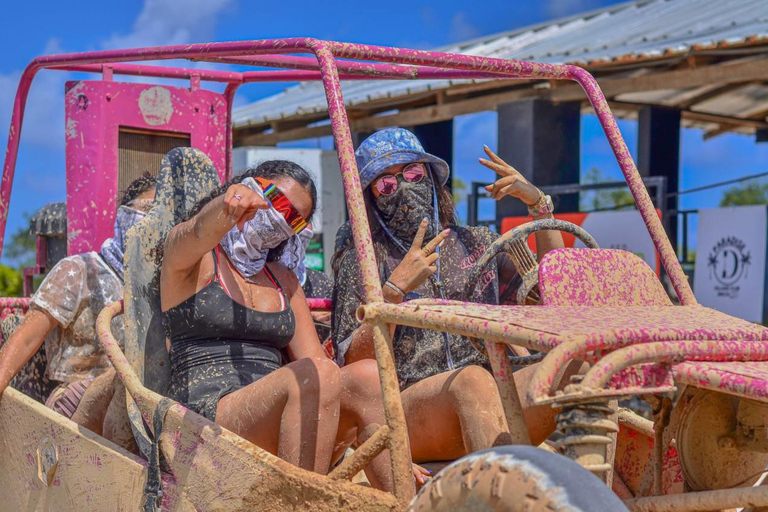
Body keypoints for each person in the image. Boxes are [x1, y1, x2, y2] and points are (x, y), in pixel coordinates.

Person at [160, 160, 423, 490]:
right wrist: (226, 208)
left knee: (367, 375)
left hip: (275, 411)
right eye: (276, 201)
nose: (281, 217)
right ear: (250, 185)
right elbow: (197, 231)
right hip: (204, 413)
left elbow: (317, 363)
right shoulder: (193, 262)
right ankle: (303, 502)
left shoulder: (283, 280)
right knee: (317, 374)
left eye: (294, 218)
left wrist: (388, 439)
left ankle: (404, 498)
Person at [332, 127, 574, 463]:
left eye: (412, 173)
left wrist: (538, 205)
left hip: (495, 393)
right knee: (471, 382)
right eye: (386, 184)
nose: (402, 187)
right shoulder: (363, 263)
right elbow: (352, 365)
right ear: (372, 198)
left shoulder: (478, 243)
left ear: (431, 178)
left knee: (576, 362)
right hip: (413, 407)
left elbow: (555, 295)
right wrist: (393, 292)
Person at [0, 173, 157, 437]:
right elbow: (26, 339)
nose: (156, 222)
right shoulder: (80, 270)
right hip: (73, 403)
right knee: (125, 381)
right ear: (125, 217)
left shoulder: (162, 291)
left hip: (134, 405)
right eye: (149, 211)